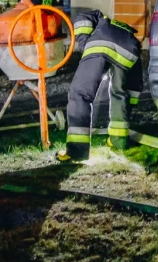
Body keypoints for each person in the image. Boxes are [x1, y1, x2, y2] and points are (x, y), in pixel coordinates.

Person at [58, 15, 143, 163]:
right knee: (120, 94)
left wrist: (86, 46)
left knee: (79, 94)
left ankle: (77, 152)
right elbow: (133, 88)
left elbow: (82, 18)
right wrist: (130, 105)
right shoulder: (128, 35)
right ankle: (119, 142)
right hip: (129, 51)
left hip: (100, 43)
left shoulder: (98, 17)